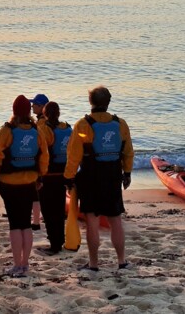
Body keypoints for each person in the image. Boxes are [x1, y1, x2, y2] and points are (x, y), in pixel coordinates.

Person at [63, 86, 134, 272]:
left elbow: (73, 155)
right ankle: (121, 261)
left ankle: (94, 264)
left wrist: (68, 178)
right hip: (112, 175)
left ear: (90, 102)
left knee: (92, 222)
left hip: (90, 176)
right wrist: (127, 173)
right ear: (108, 102)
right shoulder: (120, 124)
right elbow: (128, 151)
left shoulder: (83, 125)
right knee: (115, 219)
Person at [0, 95, 49, 277]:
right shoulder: (36, 131)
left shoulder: (7, 131)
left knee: (15, 224)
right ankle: (25, 264)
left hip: (9, 183)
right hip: (29, 181)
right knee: (26, 224)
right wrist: (40, 176)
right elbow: (43, 155)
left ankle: (17, 265)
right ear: (29, 112)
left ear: (14, 111)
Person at [35, 101, 71, 254]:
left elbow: (40, 152)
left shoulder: (45, 129)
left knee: (49, 211)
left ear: (45, 114)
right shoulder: (68, 128)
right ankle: (60, 240)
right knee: (59, 209)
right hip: (64, 174)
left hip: (49, 175)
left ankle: (54, 244)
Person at [28, 93, 49, 230]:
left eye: (34, 104)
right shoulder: (50, 122)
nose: (31, 106)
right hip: (52, 163)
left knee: (37, 193)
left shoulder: (41, 124)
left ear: (41, 107)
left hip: (43, 164)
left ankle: (36, 222)